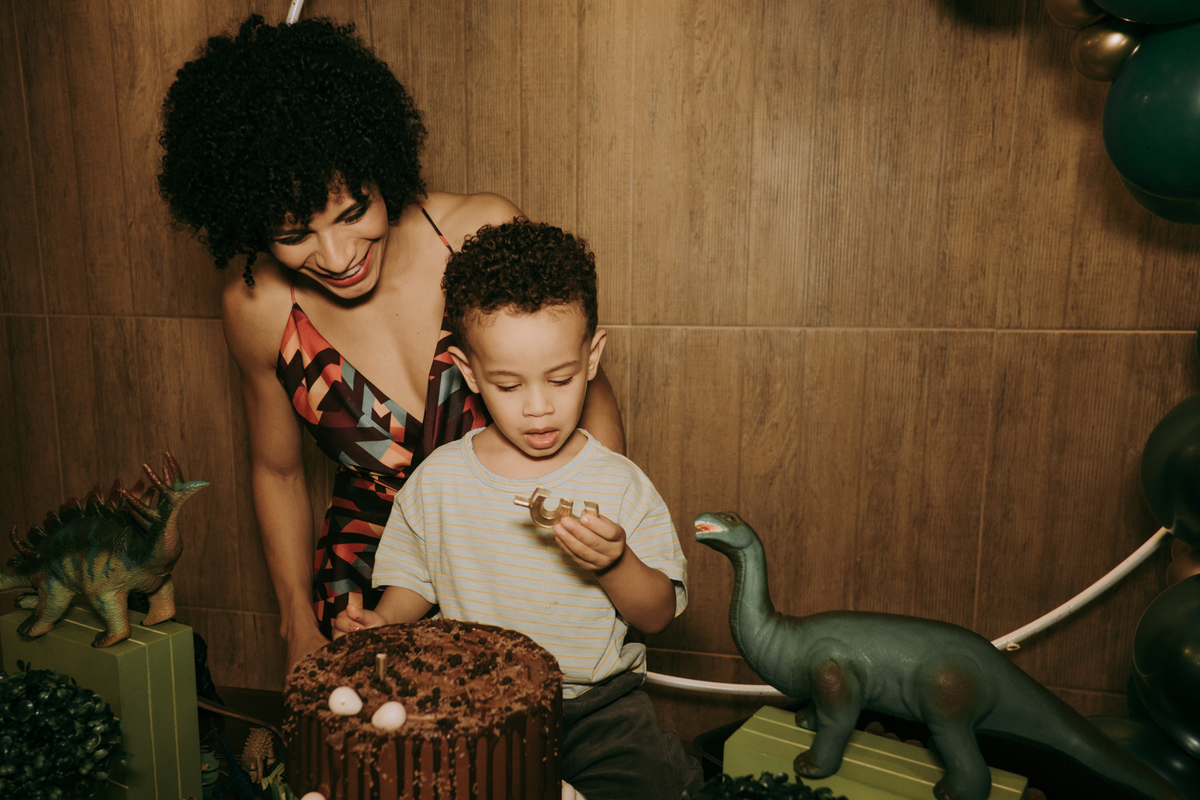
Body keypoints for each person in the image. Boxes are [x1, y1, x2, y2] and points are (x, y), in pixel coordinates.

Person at [155, 15, 625, 675]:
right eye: (294, 235)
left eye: (353, 212)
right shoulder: (258, 307)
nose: (338, 255)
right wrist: (296, 622)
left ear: (381, 167)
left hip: (516, 561)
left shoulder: (478, 230)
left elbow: (586, 393)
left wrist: (596, 537)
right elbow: (279, 472)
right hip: (366, 589)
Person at [334, 219, 703, 800]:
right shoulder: (439, 481)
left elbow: (657, 615)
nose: (538, 408)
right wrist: (382, 624)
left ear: (592, 357)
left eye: (559, 379)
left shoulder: (618, 482)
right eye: (508, 385)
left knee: (647, 784)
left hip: (593, 710)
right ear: (469, 371)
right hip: (470, 705)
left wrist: (615, 564)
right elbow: (413, 585)